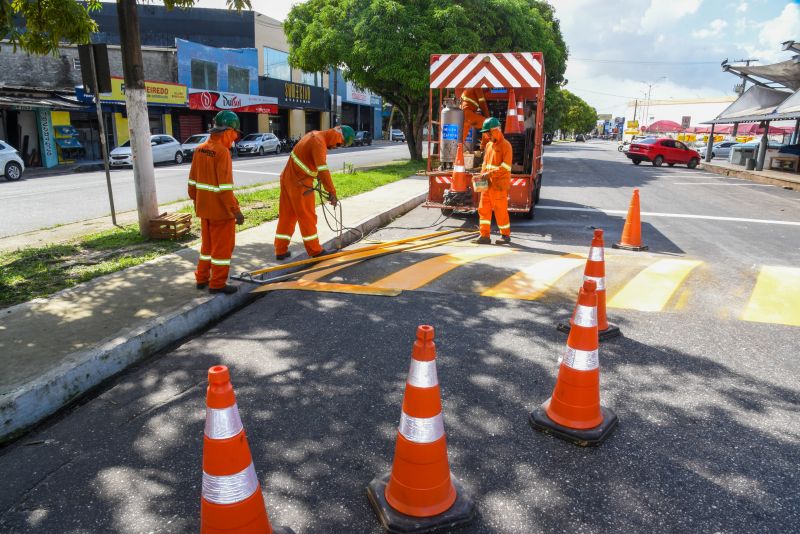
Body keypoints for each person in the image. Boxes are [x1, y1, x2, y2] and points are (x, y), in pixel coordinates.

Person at [274, 125, 355, 260]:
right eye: (339, 144)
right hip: (300, 183)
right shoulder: (319, 143)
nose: (336, 147)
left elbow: (309, 162)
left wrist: (315, 175)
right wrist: (332, 192)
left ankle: (280, 250)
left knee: (287, 216)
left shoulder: (314, 135)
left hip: (288, 179)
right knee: (307, 217)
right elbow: (323, 169)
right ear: (338, 136)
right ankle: (315, 251)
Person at [188, 110, 245, 295]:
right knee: (222, 250)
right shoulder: (222, 152)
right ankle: (217, 283)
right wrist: (236, 211)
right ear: (228, 131)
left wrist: (199, 203)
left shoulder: (199, 149)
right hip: (221, 213)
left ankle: (202, 278)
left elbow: (192, 185)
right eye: (236, 133)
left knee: (207, 248)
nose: (236, 137)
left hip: (204, 210)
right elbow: (225, 189)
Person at [474, 117, 512, 245]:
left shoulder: (506, 145)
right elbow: (485, 164)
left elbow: (506, 167)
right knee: (483, 209)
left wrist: (488, 174)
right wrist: (480, 177)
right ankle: (484, 236)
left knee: (500, 210)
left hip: (499, 185)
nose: (487, 135)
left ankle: (505, 236)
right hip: (487, 184)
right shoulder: (489, 146)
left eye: (489, 132)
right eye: (486, 133)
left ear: (496, 130)